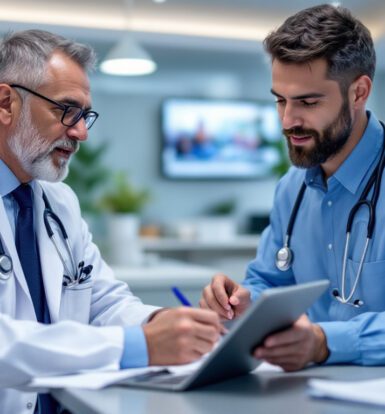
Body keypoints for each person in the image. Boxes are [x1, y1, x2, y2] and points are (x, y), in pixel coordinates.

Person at [0, 30, 221, 413]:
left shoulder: (59, 202)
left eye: (85, 115)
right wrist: (141, 346)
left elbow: (103, 301)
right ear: (5, 103)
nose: (80, 131)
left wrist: (165, 322)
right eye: (65, 110)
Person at [200, 4, 385, 372]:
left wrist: (323, 342)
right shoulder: (292, 188)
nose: (288, 120)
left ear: (359, 92)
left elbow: (320, 340)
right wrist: (239, 302)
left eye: (308, 102)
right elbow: (270, 281)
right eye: (280, 100)